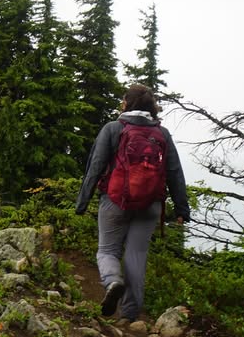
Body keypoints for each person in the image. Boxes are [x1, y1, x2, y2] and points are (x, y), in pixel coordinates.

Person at [75, 84, 190, 321]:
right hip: (151, 205)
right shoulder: (162, 133)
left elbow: (95, 166)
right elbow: (174, 171)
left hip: (115, 200)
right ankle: (129, 315)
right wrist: (182, 208)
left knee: (107, 250)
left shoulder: (113, 128)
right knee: (136, 255)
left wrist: (82, 201)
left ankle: (112, 281)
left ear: (126, 103)